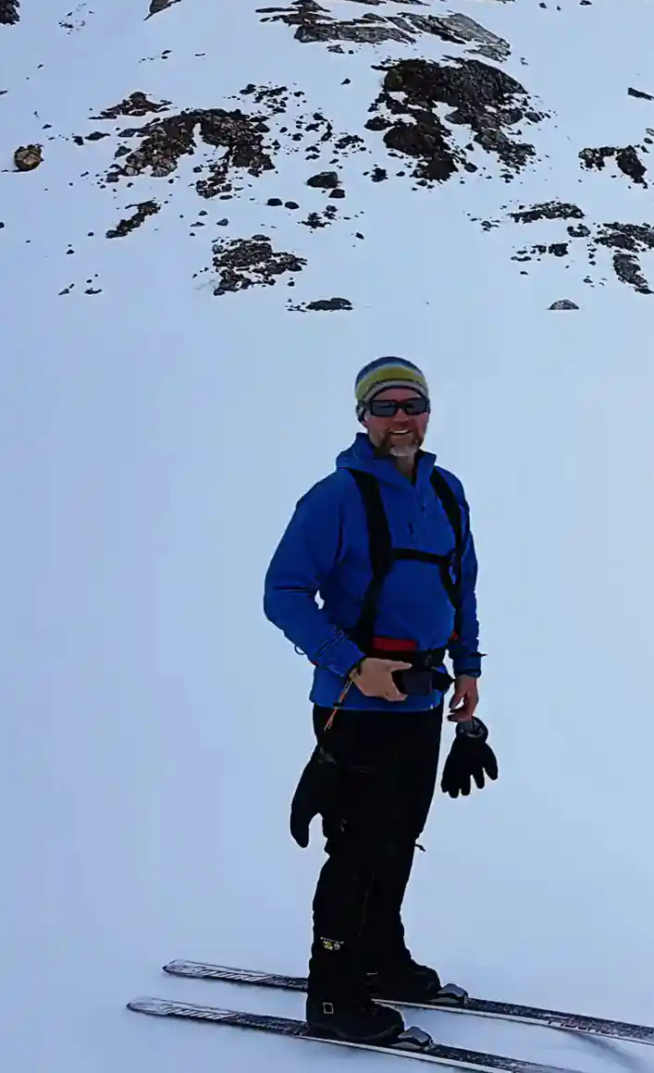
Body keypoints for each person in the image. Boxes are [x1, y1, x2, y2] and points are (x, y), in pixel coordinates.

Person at [263, 355, 497, 1044]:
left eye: (412, 405)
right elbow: (282, 593)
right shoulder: (336, 497)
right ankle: (333, 994)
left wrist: (468, 669)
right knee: (358, 848)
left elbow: (464, 589)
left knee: (398, 842)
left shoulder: (447, 492)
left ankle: (379, 959)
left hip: (424, 701)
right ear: (363, 417)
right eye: (386, 407)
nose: (402, 419)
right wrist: (352, 663)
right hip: (357, 704)